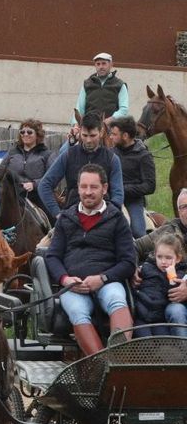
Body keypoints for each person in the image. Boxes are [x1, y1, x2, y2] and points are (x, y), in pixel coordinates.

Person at [45, 164, 137, 355]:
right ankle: (100, 363)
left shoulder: (117, 218)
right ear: (77, 188)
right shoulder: (66, 219)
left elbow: (128, 261)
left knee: (116, 299)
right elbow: (52, 256)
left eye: (93, 187)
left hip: (107, 281)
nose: (88, 192)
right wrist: (65, 280)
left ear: (104, 188)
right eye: (83, 187)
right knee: (77, 311)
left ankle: (118, 356)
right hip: (73, 285)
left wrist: (102, 278)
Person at [38, 113, 125, 217]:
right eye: (85, 135)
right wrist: (57, 214)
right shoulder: (68, 155)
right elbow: (44, 185)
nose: (88, 140)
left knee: (133, 230)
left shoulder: (112, 159)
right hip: (72, 214)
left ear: (101, 132)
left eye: (92, 135)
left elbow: (118, 193)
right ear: (79, 132)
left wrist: (110, 214)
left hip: (103, 214)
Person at [108, 116, 156, 237]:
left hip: (133, 201)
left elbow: (150, 186)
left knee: (138, 232)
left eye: (114, 134)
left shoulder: (144, 156)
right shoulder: (111, 153)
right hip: (110, 198)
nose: (111, 137)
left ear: (125, 136)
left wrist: (123, 189)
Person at [135, 235, 187, 337]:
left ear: (178, 259)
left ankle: (183, 350)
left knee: (163, 342)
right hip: (140, 316)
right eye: (159, 257)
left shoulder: (179, 274)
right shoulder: (146, 268)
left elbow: (174, 296)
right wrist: (134, 269)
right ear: (155, 255)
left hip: (160, 319)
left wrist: (172, 277)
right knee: (145, 342)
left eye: (168, 258)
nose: (163, 261)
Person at [3, 119, 52, 203]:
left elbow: (52, 177)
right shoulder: (12, 153)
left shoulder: (46, 154)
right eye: (22, 132)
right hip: (12, 196)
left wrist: (34, 185)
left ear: (37, 135)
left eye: (29, 132)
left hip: (37, 197)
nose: (25, 134)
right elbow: (1, 171)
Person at [77, 51, 129, 119]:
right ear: (95, 66)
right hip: (89, 126)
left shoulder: (120, 85)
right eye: (98, 64)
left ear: (111, 65)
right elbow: (79, 108)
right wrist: (76, 124)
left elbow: (124, 109)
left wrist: (111, 119)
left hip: (112, 126)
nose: (101, 67)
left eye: (104, 63)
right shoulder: (87, 84)